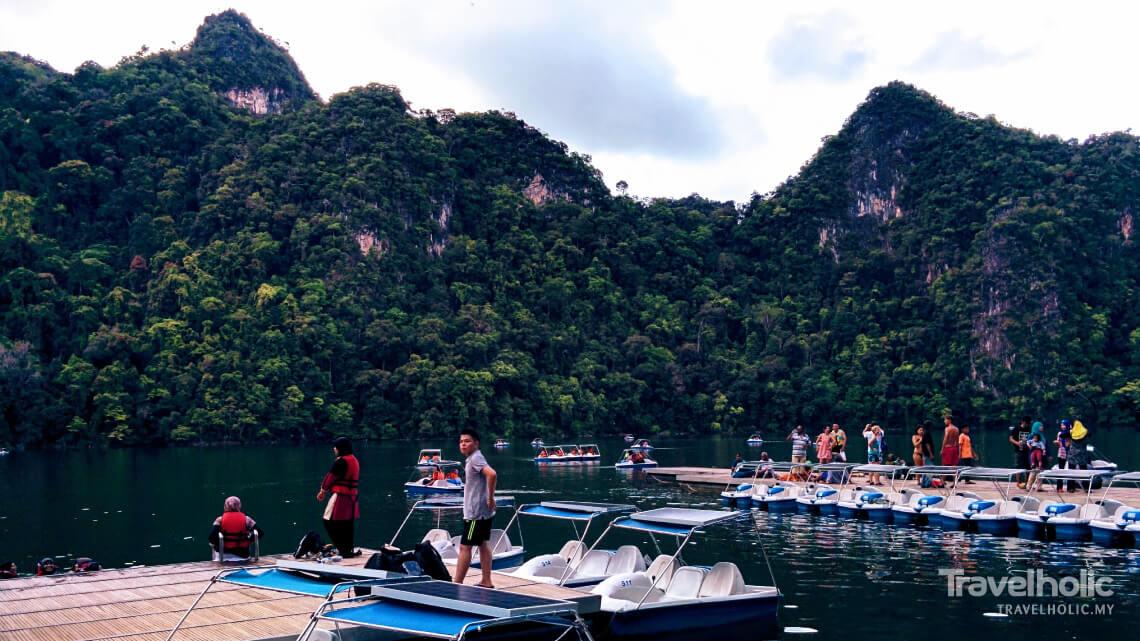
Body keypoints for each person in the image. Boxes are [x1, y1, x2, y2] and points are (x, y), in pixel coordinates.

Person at [455, 428, 497, 587]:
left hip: (474, 513)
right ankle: (487, 580)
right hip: (483, 512)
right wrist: (489, 499)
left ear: (476, 443)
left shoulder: (475, 459)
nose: (463, 444)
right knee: (483, 543)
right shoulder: (475, 458)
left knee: (465, 547)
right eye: (461, 442)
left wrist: (490, 497)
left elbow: (492, 474)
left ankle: (457, 583)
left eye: (467, 441)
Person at [317, 436, 360, 558]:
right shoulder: (354, 460)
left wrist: (322, 491)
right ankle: (347, 549)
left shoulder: (341, 461)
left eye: (335, 447)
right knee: (347, 524)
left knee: (328, 521)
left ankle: (342, 549)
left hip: (340, 495)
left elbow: (330, 477)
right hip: (352, 497)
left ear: (340, 448)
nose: (334, 450)